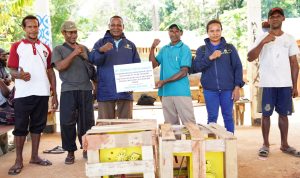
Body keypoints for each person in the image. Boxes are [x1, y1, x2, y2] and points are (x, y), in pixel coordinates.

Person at [7, 15, 58, 175]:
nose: (33, 30)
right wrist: (20, 76)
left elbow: (50, 71)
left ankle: (35, 156)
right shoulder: (17, 46)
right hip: (23, 94)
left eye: (35, 26)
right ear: (24, 29)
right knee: (21, 127)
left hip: (42, 93)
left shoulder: (45, 48)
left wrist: (54, 94)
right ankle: (18, 160)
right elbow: (11, 70)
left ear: (38, 27)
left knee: (38, 125)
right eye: (29, 27)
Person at [248, 7, 300, 157]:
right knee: (266, 115)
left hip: (284, 84)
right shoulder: (261, 38)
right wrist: (263, 42)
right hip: (267, 84)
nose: (275, 18)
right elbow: (250, 57)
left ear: (283, 19)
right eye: (272, 16)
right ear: (269, 20)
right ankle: (265, 144)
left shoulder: (289, 38)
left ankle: (284, 144)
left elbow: (294, 64)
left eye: (278, 16)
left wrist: (294, 85)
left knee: (284, 115)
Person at [51, 21, 95, 164]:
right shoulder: (58, 49)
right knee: (67, 122)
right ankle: (70, 152)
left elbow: (91, 69)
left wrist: (96, 86)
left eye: (75, 32)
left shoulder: (84, 48)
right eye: (70, 32)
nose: (73, 35)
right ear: (63, 33)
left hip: (86, 89)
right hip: (68, 90)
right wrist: (74, 53)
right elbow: (60, 66)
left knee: (87, 121)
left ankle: (86, 149)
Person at [192, 19, 244, 133]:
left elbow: (238, 67)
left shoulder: (229, 48)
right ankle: (212, 147)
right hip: (210, 90)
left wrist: (237, 87)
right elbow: (196, 67)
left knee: (228, 117)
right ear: (207, 32)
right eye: (212, 31)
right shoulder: (202, 50)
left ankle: (230, 144)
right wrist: (210, 58)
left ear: (221, 31)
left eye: (217, 30)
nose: (215, 33)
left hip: (228, 90)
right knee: (212, 119)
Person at [89, 15, 141, 119]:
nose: (116, 28)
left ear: (123, 27)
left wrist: (134, 84)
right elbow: (92, 60)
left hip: (125, 92)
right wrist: (100, 50)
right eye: (113, 25)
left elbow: (137, 67)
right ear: (109, 26)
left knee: (126, 126)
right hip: (105, 91)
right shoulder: (100, 43)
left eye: (119, 25)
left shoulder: (130, 45)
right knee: (105, 126)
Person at [149, 24, 195, 125]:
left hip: (181, 92)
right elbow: (152, 65)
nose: (174, 34)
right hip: (166, 92)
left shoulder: (185, 49)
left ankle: (193, 142)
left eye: (176, 31)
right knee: (171, 127)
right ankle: (176, 142)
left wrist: (164, 81)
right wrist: (152, 48)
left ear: (181, 33)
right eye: (171, 31)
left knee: (189, 125)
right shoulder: (164, 49)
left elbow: (183, 72)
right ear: (168, 33)